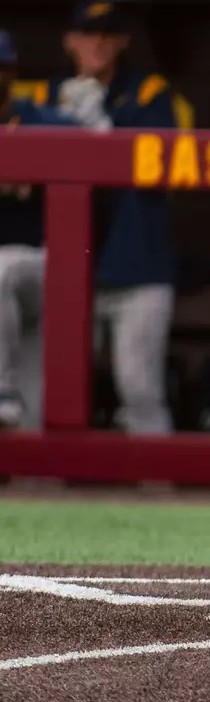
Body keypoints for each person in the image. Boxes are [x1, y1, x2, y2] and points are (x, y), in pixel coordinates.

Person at [22, 1, 178, 435]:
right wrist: (65, 126)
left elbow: (163, 166)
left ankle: (156, 484)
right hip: (70, 268)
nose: (99, 44)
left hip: (138, 267)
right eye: (89, 35)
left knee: (139, 387)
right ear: (70, 41)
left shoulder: (149, 92)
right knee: (56, 386)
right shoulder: (42, 97)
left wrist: (105, 132)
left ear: (124, 41)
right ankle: (48, 481)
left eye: (109, 35)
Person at [0, 30, 78, 428]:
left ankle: (1, 390)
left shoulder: (36, 118)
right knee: (35, 415)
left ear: (10, 73)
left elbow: (85, 144)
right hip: (9, 310)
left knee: (0, 270)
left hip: (37, 263)